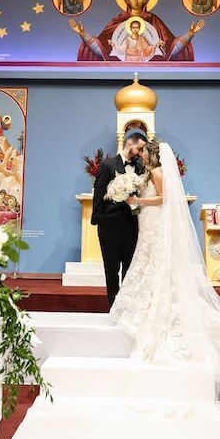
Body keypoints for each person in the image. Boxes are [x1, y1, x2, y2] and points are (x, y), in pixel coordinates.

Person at [109, 140, 220, 415]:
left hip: (154, 218)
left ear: (152, 154)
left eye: (144, 151)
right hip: (148, 221)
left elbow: (165, 198)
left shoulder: (156, 173)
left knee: (154, 262)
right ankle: (146, 301)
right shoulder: (148, 172)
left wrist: (138, 200)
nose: (140, 153)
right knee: (146, 260)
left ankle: (157, 305)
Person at [69, 0, 204, 61]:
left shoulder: (153, 20)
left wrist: (190, 34)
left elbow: (169, 49)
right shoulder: (118, 20)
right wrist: (83, 34)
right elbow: (103, 49)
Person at [91, 129, 147, 307]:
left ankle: (127, 306)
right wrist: (101, 220)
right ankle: (113, 307)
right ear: (129, 144)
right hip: (110, 226)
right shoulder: (107, 165)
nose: (140, 153)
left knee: (129, 268)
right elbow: (98, 195)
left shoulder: (140, 168)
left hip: (131, 225)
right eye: (139, 149)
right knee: (112, 268)